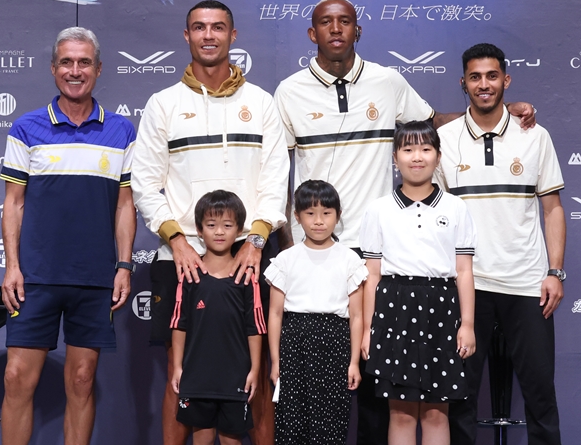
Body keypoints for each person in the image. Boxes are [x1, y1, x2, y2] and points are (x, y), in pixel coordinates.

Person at [272, 0, 534, 445]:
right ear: (312, 33)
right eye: (326, 22)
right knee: (322, 377)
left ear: (358, 30)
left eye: (345, 21)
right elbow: (277, 173)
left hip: (378, 249)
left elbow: (434, 124)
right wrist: (288, 246)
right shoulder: (289, 91)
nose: (336, 29)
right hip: (318, 249)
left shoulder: (388, 81)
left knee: (379, 387)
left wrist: (497, 113)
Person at [131, 0, 288, 445]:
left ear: (232, 36)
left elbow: (276, 178)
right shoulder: (163, 104)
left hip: (250, 254)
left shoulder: (260, 102)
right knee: (179, 374)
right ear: (187, 36)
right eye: (199, 27)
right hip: (181, 257)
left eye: (218, 27)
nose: (208, 35)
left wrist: (255, 240)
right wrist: (178, 241)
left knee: (256, 372)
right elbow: (145, 184)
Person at [0, 27, 136, 445]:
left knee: (81, 379)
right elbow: (13, 203)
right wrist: (12, 267)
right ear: (53, 68)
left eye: (84, 62)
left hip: (94, 277)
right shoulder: (26, 127)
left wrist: (124, 266)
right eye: (66, 62)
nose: (75, 71)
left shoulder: (122, 130)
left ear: (99, 69)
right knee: (16, 377)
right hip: (35, 277)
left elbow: (124, 205)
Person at [436, 43, 565, 445]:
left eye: (492, 76)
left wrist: (555, 271)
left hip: (527, 284)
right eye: (475, 77)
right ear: (463, 83)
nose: (484, 85)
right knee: (459, 401)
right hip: (466, 286)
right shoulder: (443, 140)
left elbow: (552, 209)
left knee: (541, 397)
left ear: (506, 80)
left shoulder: (535, 136)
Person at [360, 121, 477, 445]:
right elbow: (372, 275)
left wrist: (467, 324)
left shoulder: (456, 208)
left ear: (438, 156)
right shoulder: (378, 209)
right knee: (400, 412)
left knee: (437, 412)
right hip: (393, 310)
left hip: (441, 309)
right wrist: (369, 329)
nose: (417, 157)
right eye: (408, 149)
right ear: (395, 158)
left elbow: (464, 271)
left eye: (425, 149)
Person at [265, 180, 367, 445]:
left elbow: (356, 316)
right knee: (292, 419)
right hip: (294, 343)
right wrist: (276, 361)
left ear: (338, 215)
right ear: (297, 217)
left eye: (326, 213)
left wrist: (354, 362)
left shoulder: (350, 259)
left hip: (335, 344)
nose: (319, 221)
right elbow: (275, 314)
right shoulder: (286, 259)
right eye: (310, 213)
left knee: (330, 420)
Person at [170, 190, 265, 445]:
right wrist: (178, 367)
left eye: (227, 225)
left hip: (235, 378)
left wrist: (255, 369)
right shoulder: (189, 277)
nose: (219, 232)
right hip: (197, 378)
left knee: (231, 439)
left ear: (239, 230)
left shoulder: (247, 278)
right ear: (199, 230)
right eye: (211, 225)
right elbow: (179, 324)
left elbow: (255, 328)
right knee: (201, 437)